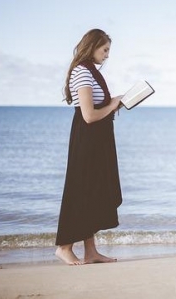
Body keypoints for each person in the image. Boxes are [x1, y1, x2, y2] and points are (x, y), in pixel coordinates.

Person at [55, 29, 123, 265]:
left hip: (97, 140)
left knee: (92, 193)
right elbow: (89, 116)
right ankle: (64, 247)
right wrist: (113, 105)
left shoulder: (89, 72)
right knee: (80, 191)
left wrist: (116, 103)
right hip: (87, 140)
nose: (107, 55)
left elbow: (95, 110)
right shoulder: (82, 72)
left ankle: (91, 251)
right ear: (93, 46)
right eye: (105, 50)